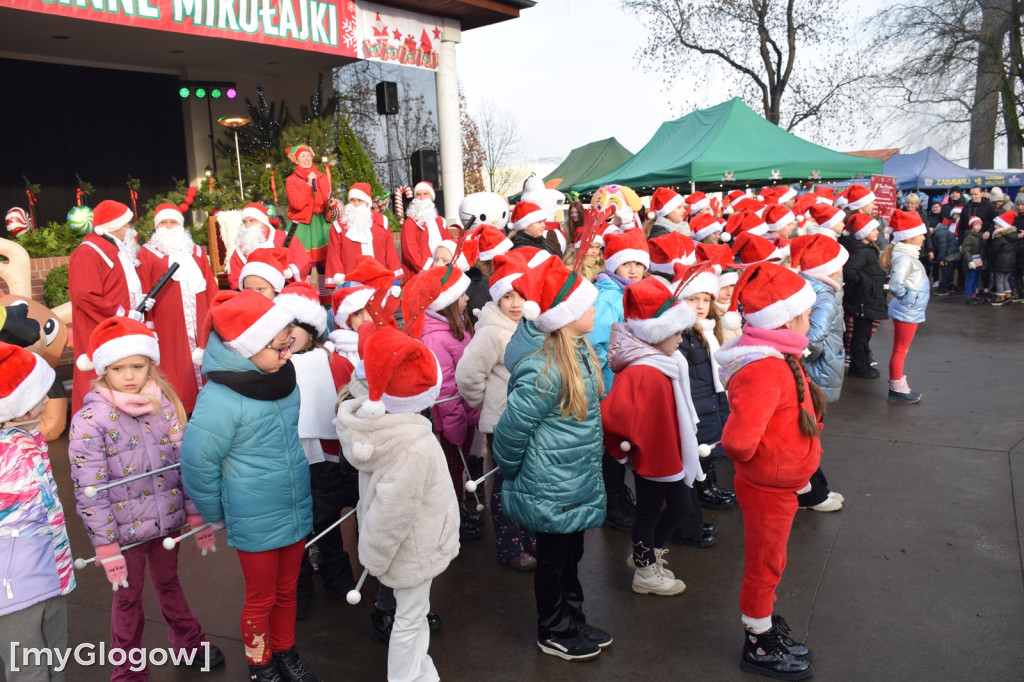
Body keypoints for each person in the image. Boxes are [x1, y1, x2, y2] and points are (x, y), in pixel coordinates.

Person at [68, 317, 223, 679]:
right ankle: (127, 668)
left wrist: (196, 516)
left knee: (169, 583)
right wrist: (106, 546)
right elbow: (89, 491)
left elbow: (184, 464)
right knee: (128, 597)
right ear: (103, 368)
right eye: (118, 368)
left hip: (167, 522)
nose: (129, 376)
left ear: (150, 363)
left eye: (137, 366)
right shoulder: (90, 420)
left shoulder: (163, 404)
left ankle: (189, 643)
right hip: (124, 534)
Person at [180, 291, 318, 682]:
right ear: (248, 347)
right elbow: (197, 461)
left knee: (288, 590)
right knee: (262, 597)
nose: (287, 354)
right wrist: (217, 513)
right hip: (253, 513)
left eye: (290, 343)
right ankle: (261, 665)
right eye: (279, 346)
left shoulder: (283, 379)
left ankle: (286, 653)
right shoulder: (219, 399)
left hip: (293, 503)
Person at [492, 257, 611, 662]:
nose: (594, 309)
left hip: (574, 480)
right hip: (550, 486)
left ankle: (572, 617)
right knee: (553, 560)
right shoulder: (545, 369)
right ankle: (553, 628)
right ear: (566, 316)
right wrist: (516, 476)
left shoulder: (579, 352)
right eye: (587, 304)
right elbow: (510, 432)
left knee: (572, 554)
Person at [714, 262, 822, 681]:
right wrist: (771, 461)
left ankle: (764, 624)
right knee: (764, 564)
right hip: (767, 488)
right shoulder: (765, 368)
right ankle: (757, 640)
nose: (810, 320)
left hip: (779, 484)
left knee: (772, 561)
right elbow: (740, 441)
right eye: (806, 313)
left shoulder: (780, 357)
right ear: (786, 319)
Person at [336, 324, 460, 682]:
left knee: (414, 615)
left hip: (408, 548)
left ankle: (419, 668)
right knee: (409, 618)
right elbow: (393, 511)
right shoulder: (413, 446)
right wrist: (375, 557)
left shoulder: (383, 431)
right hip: (413, 549)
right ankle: (406, 676)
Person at [602, 277, 699, 596]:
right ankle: (645, 570)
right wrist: (624, 448)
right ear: (656, 334)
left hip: (667, 451)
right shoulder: (643, 370)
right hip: (653, 455)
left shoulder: (665, 362)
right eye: (676, 332)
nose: (681, 339)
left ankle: (646, 555)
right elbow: (613, 415)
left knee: (680, 507)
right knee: (649, 511)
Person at [274, 282, 358, 620]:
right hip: (286, 458)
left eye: (294, 328)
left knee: (327, 519)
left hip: (327, 458)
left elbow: (349, 405)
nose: (287, 336)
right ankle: (299, 587)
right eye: (281, 329)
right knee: (294, 529)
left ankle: (337, 574)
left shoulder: (335, 363)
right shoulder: (270, 366)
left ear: (311, 330)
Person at [455, 252, 537, 571]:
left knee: (528, 483)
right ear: (497, 297)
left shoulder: (530, 326)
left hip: (529, 420)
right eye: (508, 296)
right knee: (506, 486)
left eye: (520, 295)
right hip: (503, 423)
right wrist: (486, 404)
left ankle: (529, 537)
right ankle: (510, 546)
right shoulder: (492, 331)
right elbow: (468, 375)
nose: (515, 303)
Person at [0, 342, 76, 682]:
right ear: (12, 405)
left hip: (49, 573)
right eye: (37, 395)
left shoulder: (30, 439)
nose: (47, 400)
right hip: (12, 589)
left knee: (55, 656)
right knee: (28, 669)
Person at [403, 264, 482, 542]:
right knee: (451, 473)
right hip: (453, 421)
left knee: (457, 470)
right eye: (461, 295)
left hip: (464, 414)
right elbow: (445, 390)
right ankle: (451, 522)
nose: (467, 298)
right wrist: (454, 427)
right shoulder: (435, 337)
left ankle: (458, 513)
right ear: (446, 302)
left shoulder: (453, 326)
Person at [590, 229, 650, 532]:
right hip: (614, 384)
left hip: (629, 381)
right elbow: (595, 343)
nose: (633, 270)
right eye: (627, 264)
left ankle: (618, 497)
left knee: (624, 445)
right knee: (615, 447)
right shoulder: (610, 296)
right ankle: (612, 504)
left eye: (639, 264)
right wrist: (609, 380)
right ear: (614, 265)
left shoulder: (632, 292)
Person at [137, 203, 218, 414]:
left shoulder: (196, 251)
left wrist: (216, 315)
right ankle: (178, 409)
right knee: (174, 367)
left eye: (172, 222)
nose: (168, 226)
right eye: (163, 223)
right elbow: (143, 290)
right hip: (168, 324)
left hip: (200, 319)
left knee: (205, 359)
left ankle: (208, 405)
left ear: (181, 225)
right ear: (156, 226)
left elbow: (210, 285)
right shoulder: (147, 253)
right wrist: (148, 324)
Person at [790, 234, 849, 513]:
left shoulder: (810, 287)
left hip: (815, 369)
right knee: (809, 433)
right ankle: (810, 494)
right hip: (817, 372)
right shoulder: (823, 294)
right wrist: (813, 355)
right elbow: (811, 338)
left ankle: (816, 489)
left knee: (809, 431)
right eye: (839, 265)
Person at [68, 200, 146, 412]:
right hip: (102, 330)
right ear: (117, 226)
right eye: (128, 224)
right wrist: (122, 314)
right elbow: (85, 295)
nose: (131, 229)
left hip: (121, 328)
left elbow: (122, 286)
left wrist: (141, 302)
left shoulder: (114, 248)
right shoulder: (89, 251)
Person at [675, 267, 735, 520]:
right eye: (693, 299)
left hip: (710, 395)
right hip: (696, 398)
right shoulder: (684, 333)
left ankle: (710, 484)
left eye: (705, 300)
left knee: (709, 445)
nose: (700, 305)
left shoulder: (708, 328)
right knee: (699, 446)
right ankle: (703, 489)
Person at [879, 210, 931, 403]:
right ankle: (897, 388)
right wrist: (909, 298)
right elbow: (895, 285)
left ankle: (897, 385)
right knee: (901, 350)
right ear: (909, 237)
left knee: (902, 349)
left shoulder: (906, 256)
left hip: (910, 309)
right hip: (907, 310)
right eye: (920, 234)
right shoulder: (904, 258)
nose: (924, 238)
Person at [325, 183, 402, 287]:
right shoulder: (338, 226)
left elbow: (390, 252)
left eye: (360, 200)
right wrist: (339, 280)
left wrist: (394, 280)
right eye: (352, 200)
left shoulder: (381, 222)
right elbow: (334, 256)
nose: (356, 204)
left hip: (379, 281)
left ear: (367, 202)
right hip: (350, 283)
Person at [840, 213, 887, 379]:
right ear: (863, 233)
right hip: (864, 299)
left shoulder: (867, 249)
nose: (877, 232)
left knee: (864, 334)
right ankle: (859, 366)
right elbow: (849, 272)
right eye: (873, 230)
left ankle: (863, 364)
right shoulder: (862, 251)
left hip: (866, 298)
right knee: (861, 335)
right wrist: (863, 283)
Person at [227, 203, 311, 291]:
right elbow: (235, 278)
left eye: (252, 220)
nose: (248, 225)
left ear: (263, 221)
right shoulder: (241, 250)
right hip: (254, 294)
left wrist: (290, 271)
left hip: (285, 291)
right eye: (245, 221)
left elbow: (303, 260)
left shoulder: (284, 238)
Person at [284, 144, 333, 282]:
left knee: (325, 263)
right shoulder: (292, 180)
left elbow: (327, 199)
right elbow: (297, 204)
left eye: (308, 155)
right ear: (296, 160)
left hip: (320, 222)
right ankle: (304, 292)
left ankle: (324, 293)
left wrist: (332, 205)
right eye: (302, 156)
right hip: (302, 225)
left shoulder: (322, 177)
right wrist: (309, 184)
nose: (307, 159)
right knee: (302, 264)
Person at [400, 181, 448, 278]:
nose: (422, 197)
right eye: (418, 194)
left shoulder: (441, 221)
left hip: (442, 271)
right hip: (420, 275)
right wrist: (432, 267)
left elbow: (449, 245)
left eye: (425, 194)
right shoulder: (410, 223)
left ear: (431, 197)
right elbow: (410, 252)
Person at [988, 211, 1019, 305]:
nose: (994, 226)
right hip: (1011, 261)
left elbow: (993, 249)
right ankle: (1008, 295)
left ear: (1002, 226)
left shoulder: (1000, 237)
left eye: (996, 225)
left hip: (1001, 261)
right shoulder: (1013, 237)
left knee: (999, 280)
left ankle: (1000, 297)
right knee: (1005, 279)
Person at [962, 216, 987, 304]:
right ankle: (968, 297)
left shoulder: (980, 236)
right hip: (972, 260)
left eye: (979, 225)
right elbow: (966, 250)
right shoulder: (969, 237)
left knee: (976, 279)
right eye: (976, 225)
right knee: (971, 279)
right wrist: (969, 261)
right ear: (972, 226)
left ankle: (973, 295)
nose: (978, 227)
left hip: (978, 260)